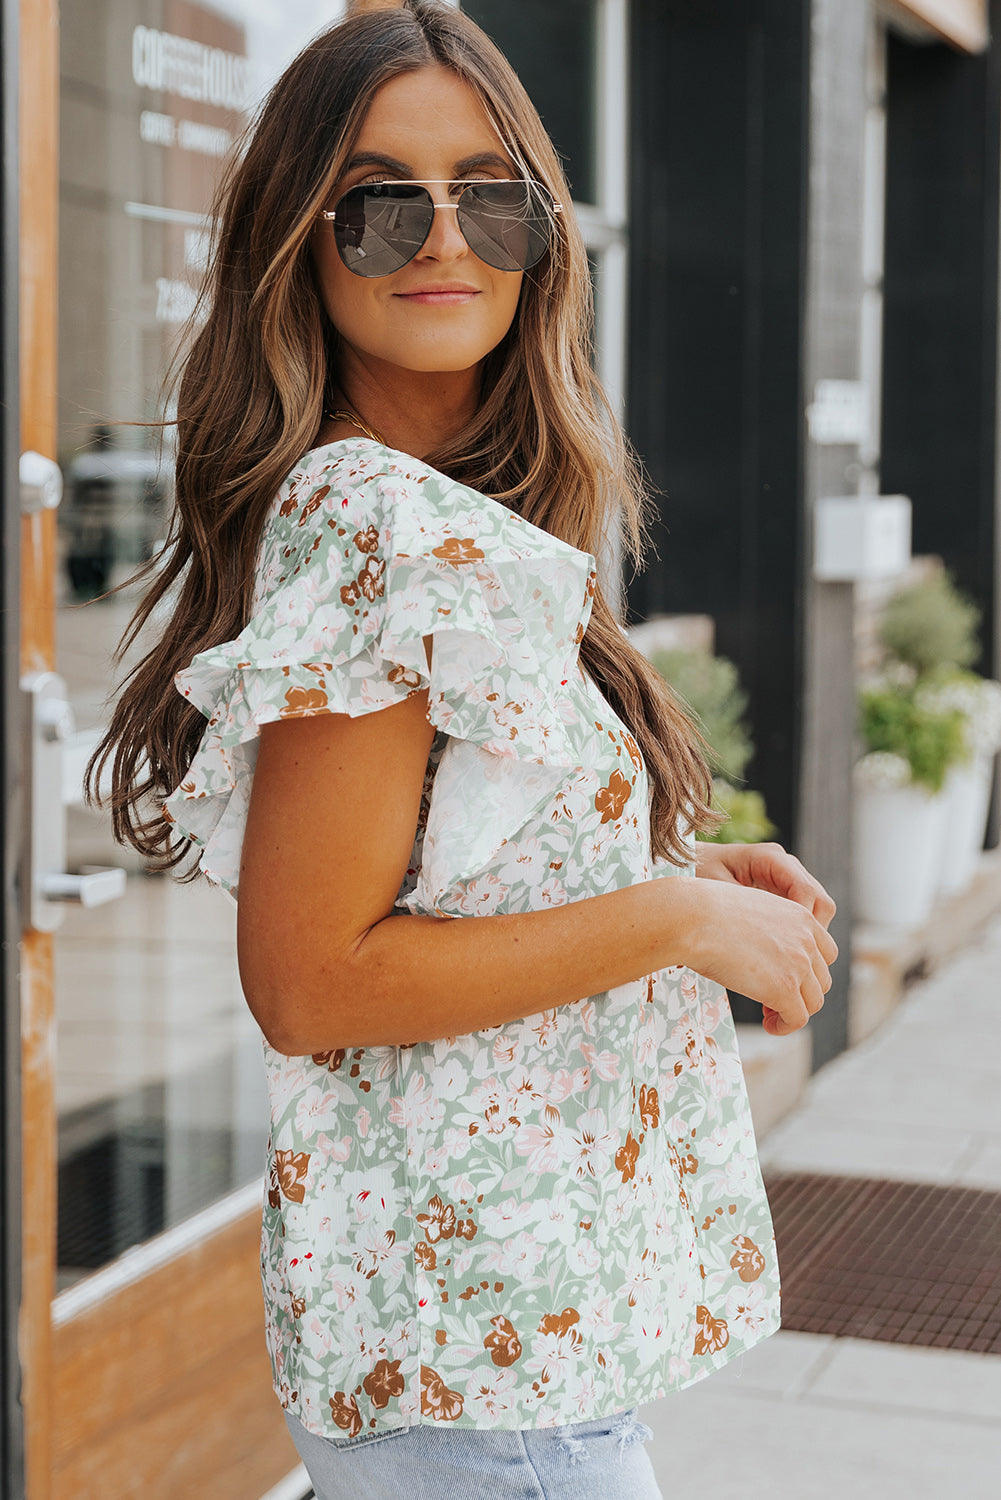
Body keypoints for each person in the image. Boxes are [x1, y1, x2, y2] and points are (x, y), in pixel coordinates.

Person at [88, 4, 838, 1496]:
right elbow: (313, 981)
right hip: (483, 1371)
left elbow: (440, 879)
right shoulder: (381, 526)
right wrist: (677, 917)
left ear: (539, 231)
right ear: (299, 239)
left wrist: (666, 875)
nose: (441, 238)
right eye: (377, 203)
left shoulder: (458, 519)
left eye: (486, 193)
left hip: (496, 1349)